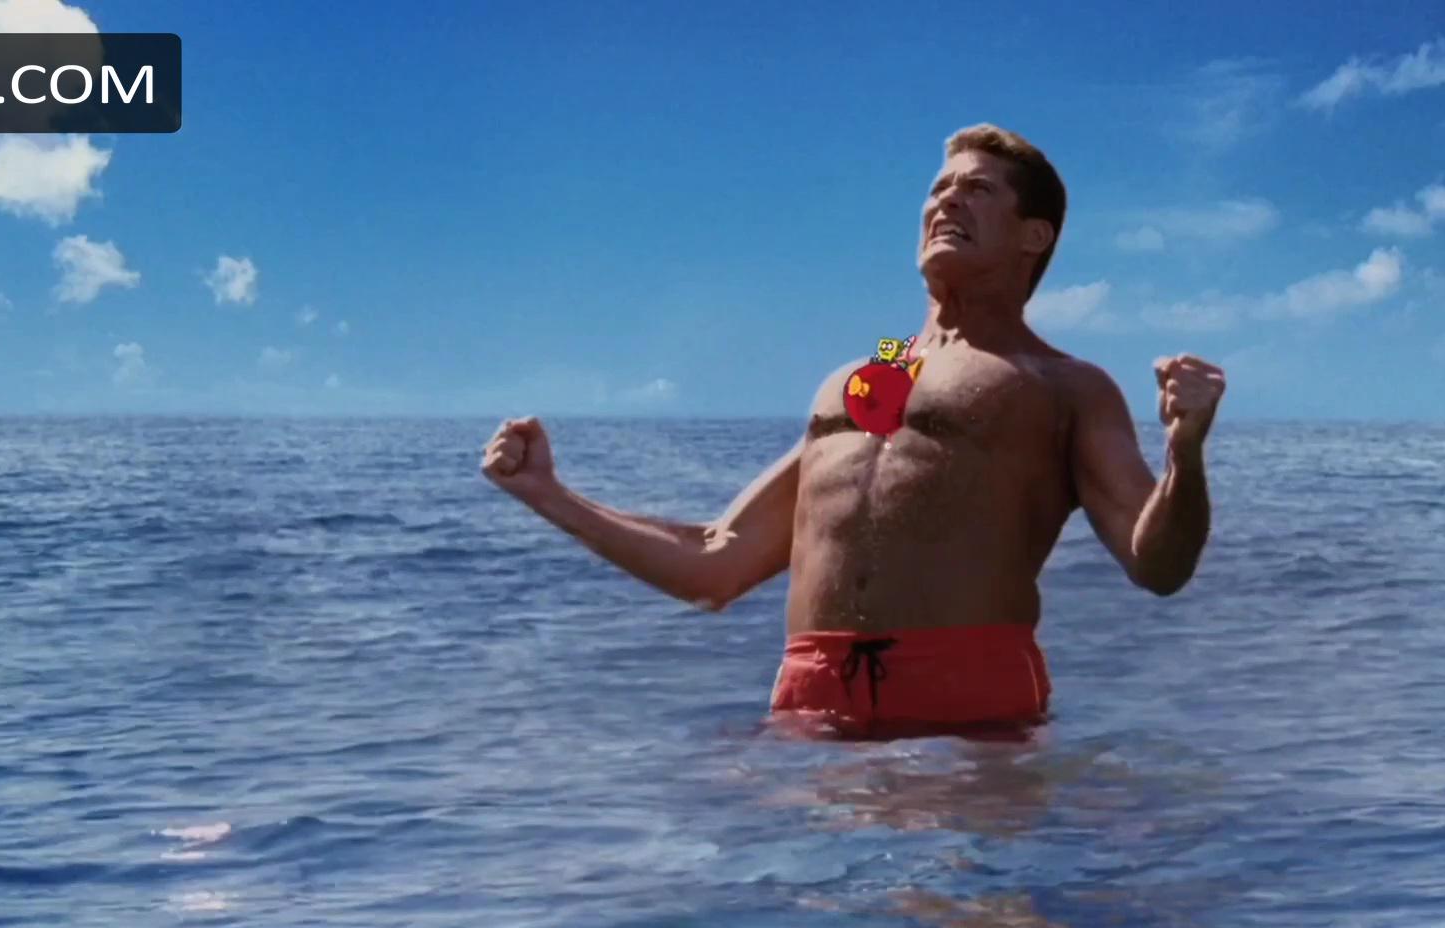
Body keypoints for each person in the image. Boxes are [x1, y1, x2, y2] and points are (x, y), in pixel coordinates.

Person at [480, 123, 1226, 739]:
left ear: (1035, 235)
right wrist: (547, 493)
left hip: (968, 712)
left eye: (977, 189)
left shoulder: (1064, 383)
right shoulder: (873, 375)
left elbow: (1156, 566)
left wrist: (1184, 453)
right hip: (811, 705)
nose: (947, 199)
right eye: (939, 188)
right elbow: (715, 564)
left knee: (985, 885)